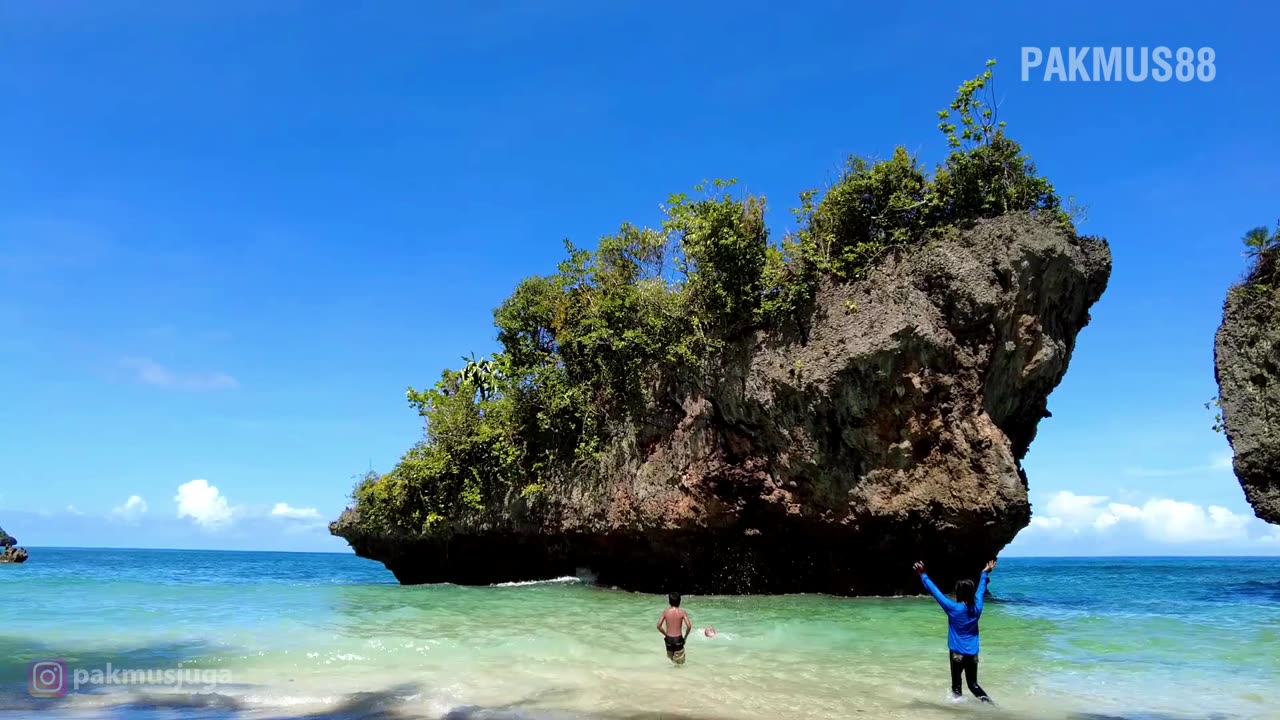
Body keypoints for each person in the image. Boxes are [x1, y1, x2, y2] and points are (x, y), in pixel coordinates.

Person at [913, 559, 997, 703]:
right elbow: (981, 590)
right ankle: (991, 706)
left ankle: (957, 711)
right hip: (972, 653)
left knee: (956, 688)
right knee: (973, 685)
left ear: (958, 593)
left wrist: (923, 575)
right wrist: (984, 573)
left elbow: (936, 592)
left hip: (957, 653)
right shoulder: (977, 608)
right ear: (971, 593)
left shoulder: (953, 608)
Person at [656, 592, 692, 665]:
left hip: (669, 640)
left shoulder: (665, 612)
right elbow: (689, 626)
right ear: (680, 601)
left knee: (671, 662)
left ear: (669, 601)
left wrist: (665, 634)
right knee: (679, 664)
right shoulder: (682, 612)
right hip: (678, 639)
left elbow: (658, 626)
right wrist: (685, 637)